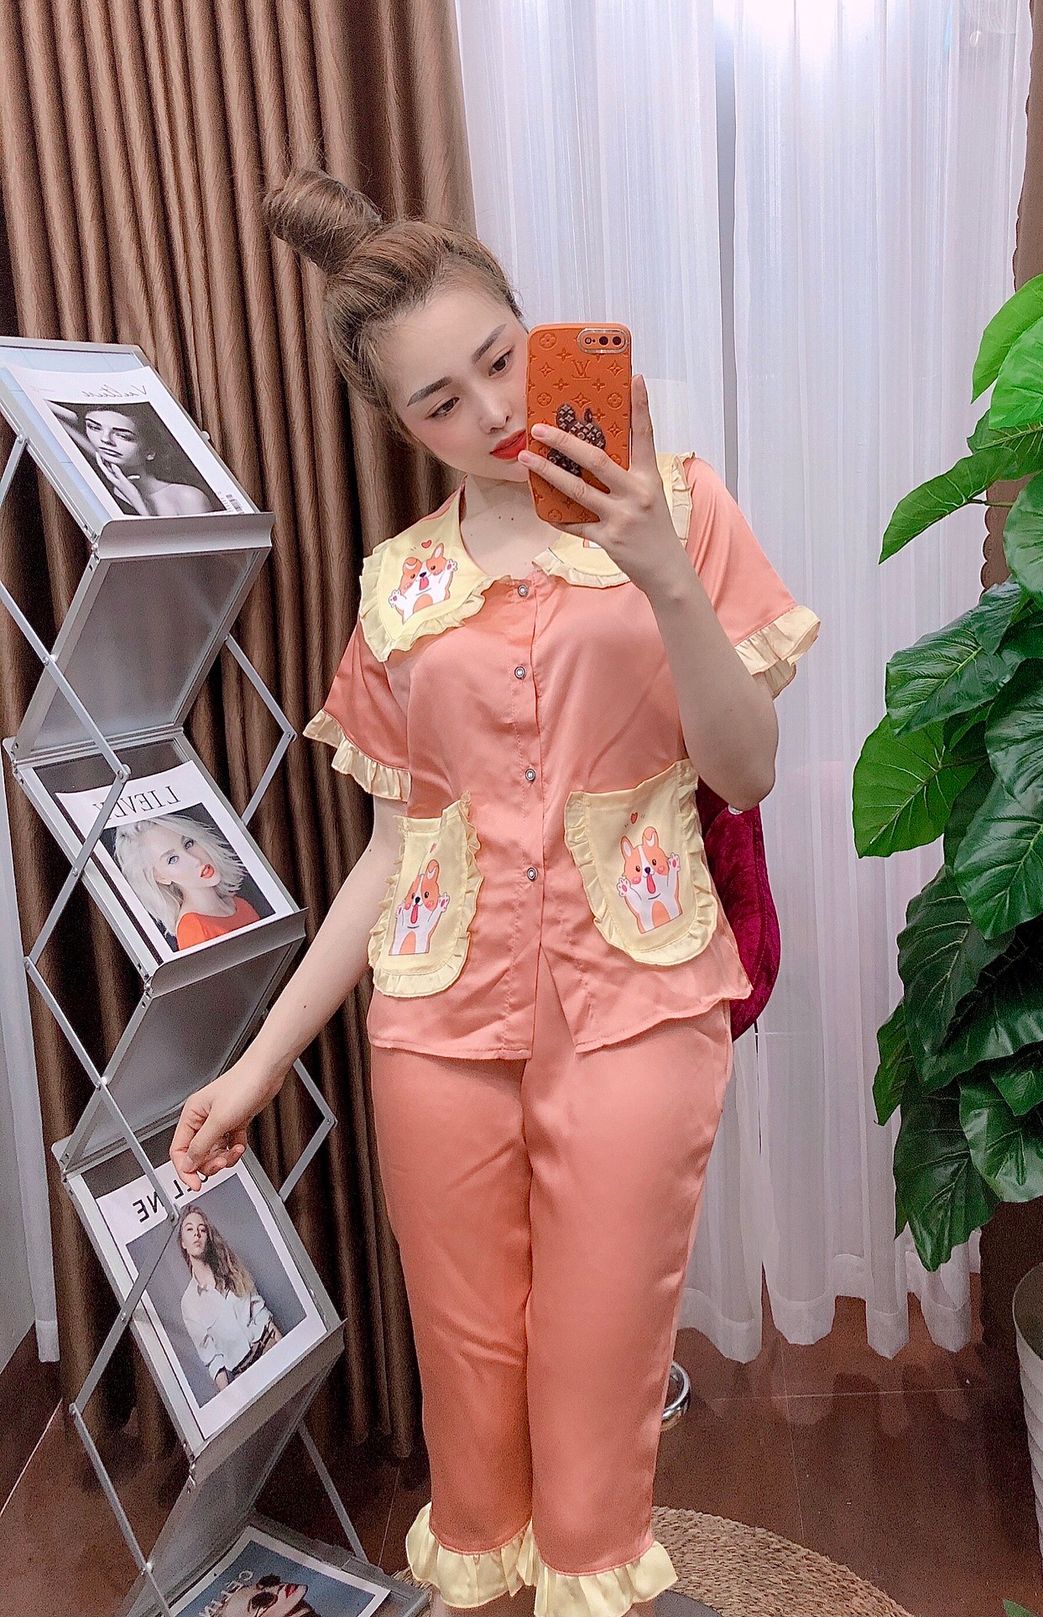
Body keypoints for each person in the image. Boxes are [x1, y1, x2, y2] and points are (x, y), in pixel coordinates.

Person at [169, 167, 819, 1617]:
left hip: (640, 1002)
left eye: (501, 359)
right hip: (435, 1029)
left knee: (599, 1379)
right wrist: (258, 1067)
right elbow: (397, 850)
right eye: (439, 402)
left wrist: (659, 572)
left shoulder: (681, 506)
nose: (491, 410)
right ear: (398, 425)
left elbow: (748, 767)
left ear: (539, 331)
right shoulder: (399, 587)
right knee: (472, 1399)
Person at [111, 811, 263, 950]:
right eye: (172, 859)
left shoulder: (239, 904)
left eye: (188, 844)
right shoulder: (193, 929)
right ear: (161, 877)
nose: (195, 860)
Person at [48, 399, 220, 515]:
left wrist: (141, 506)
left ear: (150, 451)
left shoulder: (187, 497)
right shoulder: (96, 484)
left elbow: (202, 561)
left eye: (123, 436)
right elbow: (51, 412)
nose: (105, 440)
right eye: (94, 427)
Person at [176, 1206, 283, 1392]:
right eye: (190, 1229)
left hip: (269, 1346)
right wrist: (229, 1398)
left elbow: (260, 1311)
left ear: (208, 1237)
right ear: (183, 1243)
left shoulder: (231, 1269)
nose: (197, 1234)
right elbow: (212, 1358)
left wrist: (283, 1346)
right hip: (245, 1375)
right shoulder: (189, 1303)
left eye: (202, 1229)